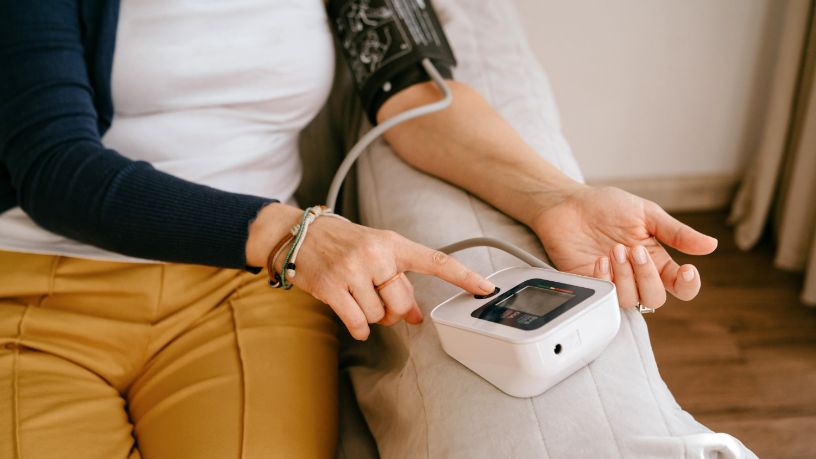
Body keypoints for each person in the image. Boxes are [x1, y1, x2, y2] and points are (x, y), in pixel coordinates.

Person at [0, 1, 718, 457]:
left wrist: (554, 197)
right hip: (38, 290)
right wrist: (293, 235)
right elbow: (54, 163)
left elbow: (413, 89)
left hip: (245, 295)